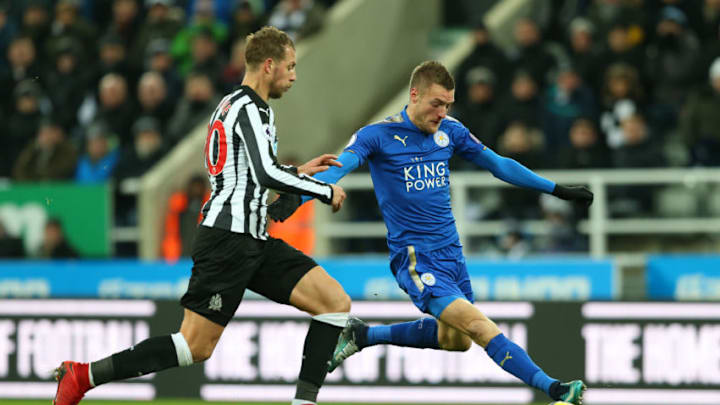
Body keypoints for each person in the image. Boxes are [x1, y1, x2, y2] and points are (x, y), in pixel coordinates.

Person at [52, 26, 349, 405]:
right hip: (228, 240)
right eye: (290, 66)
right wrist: (323, 190)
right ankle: (83, 376)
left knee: (334, 302)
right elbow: (261, 173)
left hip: (252, 238)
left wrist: (299, 172)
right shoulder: (249, 108)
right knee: (194, 347)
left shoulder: (234, 106)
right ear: (269, 65)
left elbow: (247, 173)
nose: (294, 75)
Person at [269, 61, 593, 404]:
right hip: (416, 257)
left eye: (448, 105)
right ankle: (555, 388)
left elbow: (499, 164)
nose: (442, 112)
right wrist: (300, 197)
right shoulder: (377, 136)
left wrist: (557, 189)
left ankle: (363, 335)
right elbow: (339, 169)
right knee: (480, 327)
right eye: (437, 104)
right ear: (414, 94)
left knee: (457, 340)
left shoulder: (450, 131)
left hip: (452, 255)